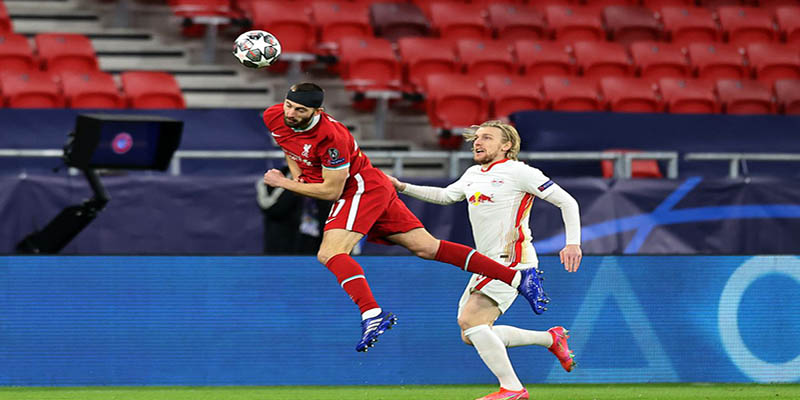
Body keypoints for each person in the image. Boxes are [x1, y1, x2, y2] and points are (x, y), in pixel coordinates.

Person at [262, 83, 550, 353]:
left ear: (317, 112)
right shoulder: (274, 116)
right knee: (427, 247)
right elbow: (290, 146)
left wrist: (284, 182)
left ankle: (372, 313)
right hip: (372, 188)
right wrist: (298, 172)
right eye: (288, 106)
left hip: (360, 187)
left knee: (330, 253)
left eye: (299, 110)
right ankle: (517, 276)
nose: (291, 113)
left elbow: (331, 190)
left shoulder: (333, 137)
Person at [388, 120, 582, 400]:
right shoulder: (473, 173)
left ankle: (513, 389)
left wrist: (572, 243)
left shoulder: (520, 172)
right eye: (476, 138)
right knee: (472, 333)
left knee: (473, 321)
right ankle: (550, 338)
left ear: (507, 145)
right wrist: (402, 186)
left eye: (487, 138)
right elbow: (445, 196)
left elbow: (568, 202)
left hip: (512, 261)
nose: (477, 142)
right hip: (484, 262)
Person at [256, 166, 330, 255]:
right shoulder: (277, 176)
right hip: (284, 247)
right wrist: (291, 184)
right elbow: (271, 208)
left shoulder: (330, 178)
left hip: (320, 245)